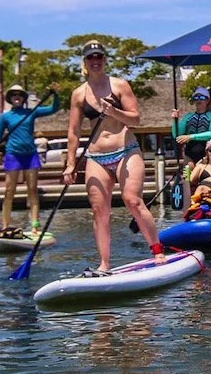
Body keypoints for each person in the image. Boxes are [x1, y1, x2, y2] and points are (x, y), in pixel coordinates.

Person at [63, 40, 166, 275]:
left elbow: (136, 119)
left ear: (104, 59)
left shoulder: (119, 86)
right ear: (85, 62)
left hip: (126, 150)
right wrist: (71, 164)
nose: (95, 61)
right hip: (97, 156)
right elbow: (74, 132)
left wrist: (114, 112)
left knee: (132, 201)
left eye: (99, 57)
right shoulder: (79, 94)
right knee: (100, 211)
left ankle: (158, 251)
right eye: (91, 58)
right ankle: (104, 264)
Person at [0, 83, 61, 233]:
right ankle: (5, 225)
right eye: (14, 94)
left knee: (32, 190)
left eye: (20, 94)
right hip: (13, 155)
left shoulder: (32, 112)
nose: (17, 96)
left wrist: (55, 94)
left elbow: (53, 109)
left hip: (30, 155)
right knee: (9, 190)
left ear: (24, 98)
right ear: (10, 98)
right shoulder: (5, 116)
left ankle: (35, 226)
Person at [171, 86, 211, 164]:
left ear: (207, 100)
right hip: (189, 153)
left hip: (207, 153)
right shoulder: (188, 116)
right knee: (188, 174)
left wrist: (190, 137)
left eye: (201, 97)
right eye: (196, 98)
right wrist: (175, 120)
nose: (198, 100)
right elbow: (176, 135)